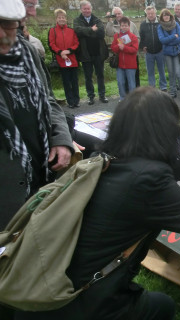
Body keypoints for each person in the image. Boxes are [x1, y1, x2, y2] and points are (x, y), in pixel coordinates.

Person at [14, 86, 180, 320]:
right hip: (79, 300)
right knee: (161, 307)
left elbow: (134, 200)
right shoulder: (149, 176)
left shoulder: (106, 160)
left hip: (46, 284)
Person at [0, 0, 73, 230]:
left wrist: (61, 139)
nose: (1, 34)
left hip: (39, 169)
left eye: (6, 25)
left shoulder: (28, 53)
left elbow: (49, 100)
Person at [73, 0, 109, 105]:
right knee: (88, 76)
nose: (87, 10)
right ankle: (91, 96)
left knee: (100, 75)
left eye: (88, 8)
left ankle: (102, 95)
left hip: (98, 52)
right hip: (85, 54)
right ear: (81, 9)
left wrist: (87, 32)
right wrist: (92, 30)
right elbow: (77, 31)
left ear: (91, 9)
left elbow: (102, 33)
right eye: (85, 8)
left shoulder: (96, 19)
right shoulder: (77, 20)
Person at [48, 8, 80, 109]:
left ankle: (76, 100)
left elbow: (76, 43)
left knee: (74, 81)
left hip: (72, 59)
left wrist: (69, 51)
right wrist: (60, 52)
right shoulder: (52, 31)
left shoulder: (71, 30)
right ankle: (70, 101)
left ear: (66, 19)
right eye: (59, 17)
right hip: (61, 60)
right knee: (66, 82)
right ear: (56, 19)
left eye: (63, 17)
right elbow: (51, 44)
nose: (61, 19)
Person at [157, 8, 180, 101]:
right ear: (162, 17)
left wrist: (168, 41)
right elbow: (162, 40)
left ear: (170, 16)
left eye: (167, 15)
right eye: (164, 15)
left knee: (178, 73)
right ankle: (173, 92)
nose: (166, 17)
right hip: (167, 53)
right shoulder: (160, 27)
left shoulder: (176, 24)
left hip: (176, 52)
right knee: (171, 73)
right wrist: (173, 37)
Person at [106, 6, 140, 88]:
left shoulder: (131, 24)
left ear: (122, 14)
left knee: (134, 78)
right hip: (120, 56)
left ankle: (136, 95)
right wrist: (109, 21)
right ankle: (125, 97)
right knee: (122, 80)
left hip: (131, 55)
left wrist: (132, 45)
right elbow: (108, 33)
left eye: (119, 13)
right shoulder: (113, 24)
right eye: (115, 14)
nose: (117, 15)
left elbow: (137, 37)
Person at [139, 6, 168, 91]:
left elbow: (165, 35)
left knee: (161, 70)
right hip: (149, 52)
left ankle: (163, 86)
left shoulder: (160, 22)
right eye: (149, 14)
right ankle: (152, 87)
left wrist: (163, 46)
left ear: (155, 13)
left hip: (160, 51)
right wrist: (143, 46)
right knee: (150, 71)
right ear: (146, 14)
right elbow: (141, 37)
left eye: (152, 13)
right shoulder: (143, 24)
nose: (151, 15)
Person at [111, 17, 139, 101]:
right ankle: (122, 98)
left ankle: (132, 99)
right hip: (120, 64)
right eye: (122, 26)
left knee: (131, 84)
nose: (124, 27)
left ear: (129, 26)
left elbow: (134, 49)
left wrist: (124, 48)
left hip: (130, 64)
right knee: (120, 82)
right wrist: (118, 47)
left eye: (125, 26)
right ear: (120, 26)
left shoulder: (133, 37)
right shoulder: (117, 36)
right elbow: (113, 48)